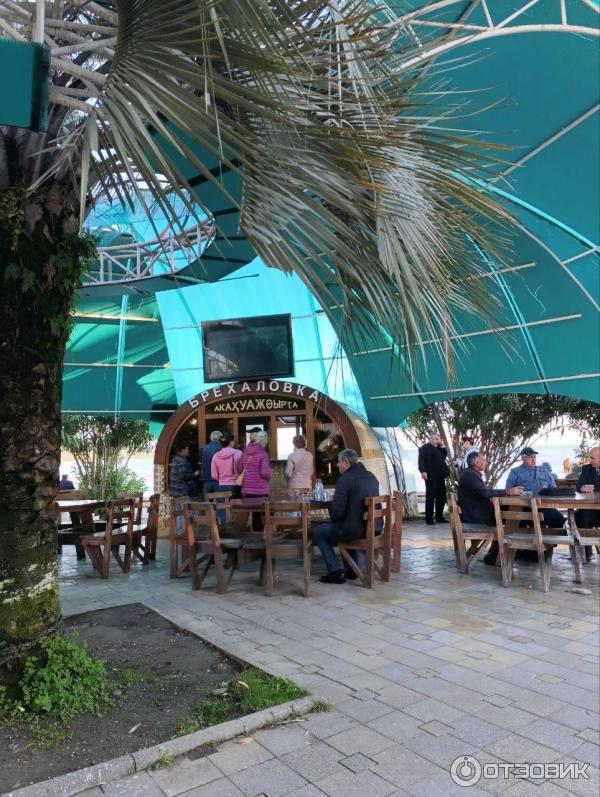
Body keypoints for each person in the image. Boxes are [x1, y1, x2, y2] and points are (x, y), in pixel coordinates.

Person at [311, 449, 380, 584]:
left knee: (318, 531)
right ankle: (352, 569)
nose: (337, 465)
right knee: (344, 525)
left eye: (339, 462)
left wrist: (332, 508)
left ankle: (335, 572)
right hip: (374, 528)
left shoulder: (344, 480)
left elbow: (337, 513)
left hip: (355, 531)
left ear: (346, 462)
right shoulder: (371, 476)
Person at [458, 452, 523, 526]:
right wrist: (508, 492)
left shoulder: (469, 473)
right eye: (484, 460)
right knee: (512, 508)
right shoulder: (469, 475)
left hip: (476, 514)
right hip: (477, 517)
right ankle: (521, 529)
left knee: (512, 508)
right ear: (476, 463)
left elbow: (479, 494)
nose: (486, 463)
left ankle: (517, 529)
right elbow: (485, 493)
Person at [505, 447, 564, 528]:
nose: (533, 459)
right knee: (519, 523)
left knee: (559, 518)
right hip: (524, 508)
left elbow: (553, 489)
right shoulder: (515, 472)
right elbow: (507, 491)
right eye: (530, 457)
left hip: (544, 506)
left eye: (534, 456)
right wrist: (510, 491)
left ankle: (549, 536)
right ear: (523, 458)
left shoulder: (544, 471)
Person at [240, 430, 271, 530]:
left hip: (247, 489)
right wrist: (269, 476)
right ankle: (263, 533)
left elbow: (240, 467)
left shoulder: (245, 452)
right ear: (263, 441)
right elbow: (264, 473)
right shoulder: (263, 454)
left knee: (255, 513)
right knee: (265, 511)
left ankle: (255, 532)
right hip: (260, 489)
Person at [418, 431, 450, 525]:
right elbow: (421, 460)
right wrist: (423, 471)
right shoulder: (424, 448)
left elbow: (443, 457)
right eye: (436, 439)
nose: (438, 440)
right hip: (430, 476)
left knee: (441, 496)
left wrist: (442, 446)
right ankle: (429, 519)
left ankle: (439, 517)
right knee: (430, 497)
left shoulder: (439, 448)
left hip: (440, 476)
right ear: (431, 439)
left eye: (438, 439)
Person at [575, 445, 600, 562]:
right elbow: (578, 486)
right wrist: (583, 487)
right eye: (590, 458)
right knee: (580, 514)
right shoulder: (587, 469)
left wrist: (594, 489)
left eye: (592, 458)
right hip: (591, 509)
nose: (590, 460)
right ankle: (586, 553)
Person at [169, 444, 196, 535]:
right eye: (187, 448)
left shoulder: (175, 459)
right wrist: (194, 474)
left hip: (175, 492)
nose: (188, 450)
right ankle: (186, 534)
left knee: (179, 514)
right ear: (182, 450)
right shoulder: (182, 461)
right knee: (189, 511)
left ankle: (179, 534)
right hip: (182, 492)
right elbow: (183, 476)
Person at [200, 430, 223, 496]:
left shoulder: (203, 449)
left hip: (206, 480)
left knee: (207, 502)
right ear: (220, 438)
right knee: (220, 501)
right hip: (218, 480)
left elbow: (201, 462)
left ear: (210, 438)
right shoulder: (222, 449)